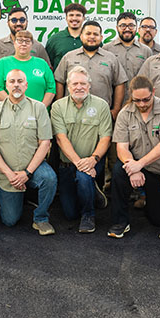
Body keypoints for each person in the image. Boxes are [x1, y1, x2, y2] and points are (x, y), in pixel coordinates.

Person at [0, 69, 58, 235]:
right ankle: (15, 198)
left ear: (26, 85)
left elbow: (45, 143)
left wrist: (27, 173)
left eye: (20, 81)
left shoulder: (38, 108)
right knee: (10, 220)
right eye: (12, 81)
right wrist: (10, 174)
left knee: (49, 178)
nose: (16, 85)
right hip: (8, 173)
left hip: (34, 168)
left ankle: (41, 218)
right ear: (6, 85)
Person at [107, 75, 160, 238]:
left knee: (159, 219)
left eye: (146, 100)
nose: (142, 104)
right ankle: (120, 221)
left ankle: (149, 201)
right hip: (134, 164)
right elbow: (121, 147)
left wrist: (139, 164)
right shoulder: (125, 113)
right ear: (131, 96)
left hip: (159, 170)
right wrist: (133, 167)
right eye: (137, 100)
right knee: (118, 171)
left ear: (153, 92)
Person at [51, 66, 112, 233]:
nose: (79, 87)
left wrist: (93, 160)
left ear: (89, 85)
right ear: (68, 86)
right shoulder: (58, 107)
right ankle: (93, 193)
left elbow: (105, 138)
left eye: (83, 83)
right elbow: (60, 139)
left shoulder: (101, 105)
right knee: (70, 214)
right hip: (67, 164)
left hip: (92, 161)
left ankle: (88, 215)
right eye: (75, 84)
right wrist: (80, 163)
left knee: (83, 177)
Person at [54, 21, 128, 119]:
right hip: (72, 114)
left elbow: (119, 83)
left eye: (95, 34)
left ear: (101, 38)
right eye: (88, 34)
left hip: (102, 114)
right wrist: (60, 106)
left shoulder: (111, 58)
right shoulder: (69, 57)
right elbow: (59, 81)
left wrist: (116, 110)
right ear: (81, 36)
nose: (92, 37)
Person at [0, 30, 55, 106]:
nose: (24, 44)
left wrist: (40, 108)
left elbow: (51, 88)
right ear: (14, 43)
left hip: (38, 111)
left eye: (27, 41)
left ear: (32, 45)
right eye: (20, 41)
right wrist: (14, 107)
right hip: (11, 110)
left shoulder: (42, 63)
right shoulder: (3, 63)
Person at [103, 12, 152, 82]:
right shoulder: (106, 49)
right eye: (123, 25)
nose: (127, 29)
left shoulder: (146, 51)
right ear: (117, 28)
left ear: (136, 28)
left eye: (131, 25)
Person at [45, 2, 86, 68]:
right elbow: (48, 65)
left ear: (84, 18)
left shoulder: (91, 40)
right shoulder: (54, 39)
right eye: (71, 15)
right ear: (66, 18)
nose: (74, 18)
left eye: (78, 15)